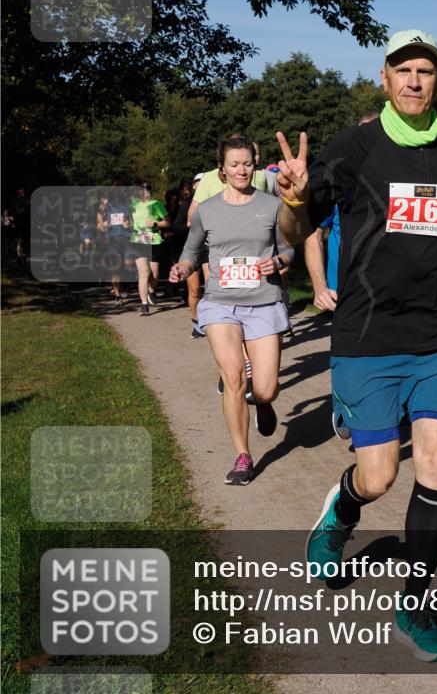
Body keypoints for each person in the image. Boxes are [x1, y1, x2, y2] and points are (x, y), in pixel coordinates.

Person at [274, 31, 437, 662]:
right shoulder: (353, 149)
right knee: (379, 475)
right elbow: (297, 227)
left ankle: (416, 604)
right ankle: (342, 511)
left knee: (434, 469)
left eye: (425, 71)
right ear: (384, 78)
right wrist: (295, 199)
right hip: (369, 336)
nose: (413, 81)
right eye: (402, 70)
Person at [170, 136, 294, 486]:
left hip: (264, 302)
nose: (242, 170)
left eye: (247, 163)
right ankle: (243, 455)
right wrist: (182, 268)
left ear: (255, 165)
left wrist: (280, 261)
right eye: (234, 164)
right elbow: (191, 253)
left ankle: (265, 402)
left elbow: (288, 249)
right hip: (220, 304)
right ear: (221, 169)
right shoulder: (207, 211)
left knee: (265, 388)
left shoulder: (272, 206)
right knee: (234, 378)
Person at [303, 111, 380, 440]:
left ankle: (382, 409)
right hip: (346, 286)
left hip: (392, 287)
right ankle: (345, 406)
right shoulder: (342, 180)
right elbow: (310, 233)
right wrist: (319, 286)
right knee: (353, 349)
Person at [130, 182, 169, 316]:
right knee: (143, 273)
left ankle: (151, 290)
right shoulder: (133, 206)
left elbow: (167, 222)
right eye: (142, 190)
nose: (145, 192)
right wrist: (126, 224)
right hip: (138, 240)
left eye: (148, 189)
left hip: (154, 241)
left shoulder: (157, 204)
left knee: (155, 274)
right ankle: (144, 305)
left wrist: (156, 223)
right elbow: (128, 221)